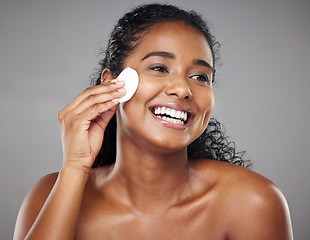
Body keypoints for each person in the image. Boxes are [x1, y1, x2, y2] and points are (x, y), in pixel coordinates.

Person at [13, 3, 293, 240]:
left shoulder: (252, 202)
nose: (183, 89)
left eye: (200, 77)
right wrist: (74, 168)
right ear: (112, 84)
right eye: (159, 68)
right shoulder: (48, 196)